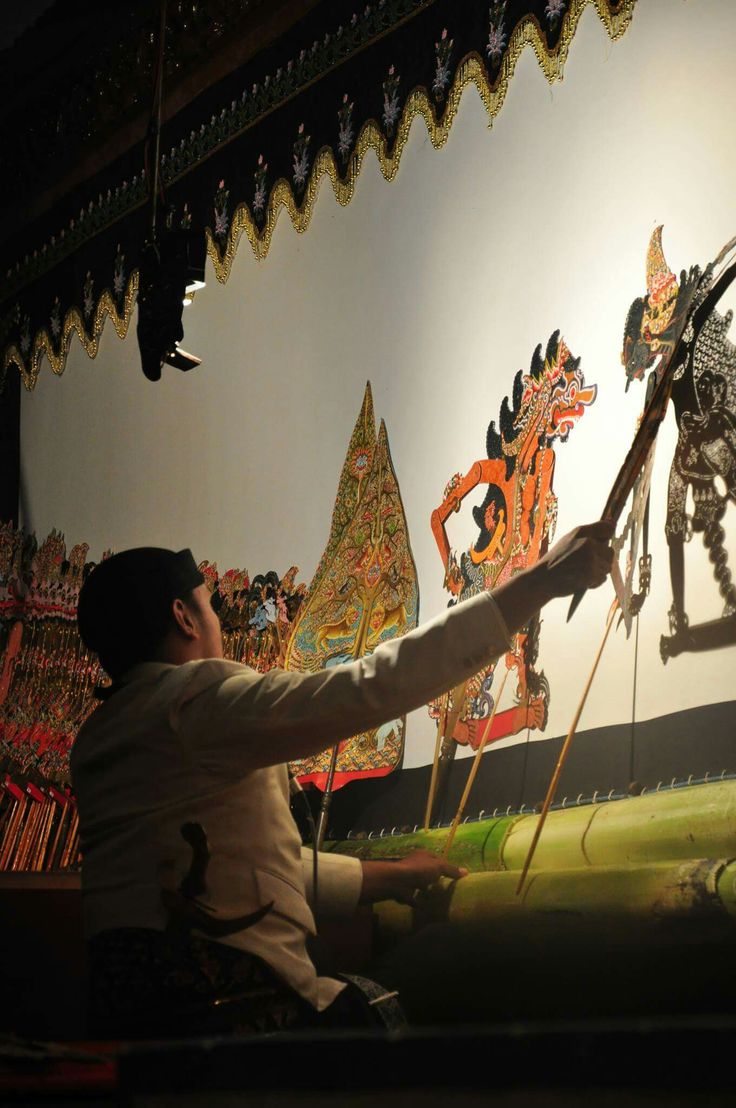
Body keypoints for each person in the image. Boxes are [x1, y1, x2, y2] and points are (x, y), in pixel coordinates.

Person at [72, 521, 613, 1037]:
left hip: (126, 1013)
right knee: (455, 958)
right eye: (211, 608)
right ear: (184, 618)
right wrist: (540, 581)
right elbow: (373, 685)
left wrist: (392, 875)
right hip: (233, 1010)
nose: (218, 624)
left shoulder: (101, 740)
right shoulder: (193, 704)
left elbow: (237, 873)